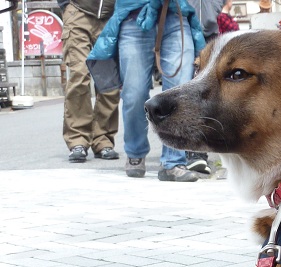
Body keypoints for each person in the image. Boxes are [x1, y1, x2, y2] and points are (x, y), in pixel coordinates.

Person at [88, 0, 206, 181]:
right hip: (133, 16)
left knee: (179, 92)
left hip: (176, 15)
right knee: (134, 94)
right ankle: (135, 151)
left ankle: (173, 162)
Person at [58, 0, 120, 163]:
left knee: (109, 81)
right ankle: (78, 140)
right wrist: (66, 5)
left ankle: (103, 140)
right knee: (79, 75)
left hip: (110, 16)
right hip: (78, 11)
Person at [184, 0, 224, 175]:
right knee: (187, 88)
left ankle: (202, 149)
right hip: (184, 28)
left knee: (209, 92)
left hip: (210, 32)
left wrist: (215, 8)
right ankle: (194, 152)